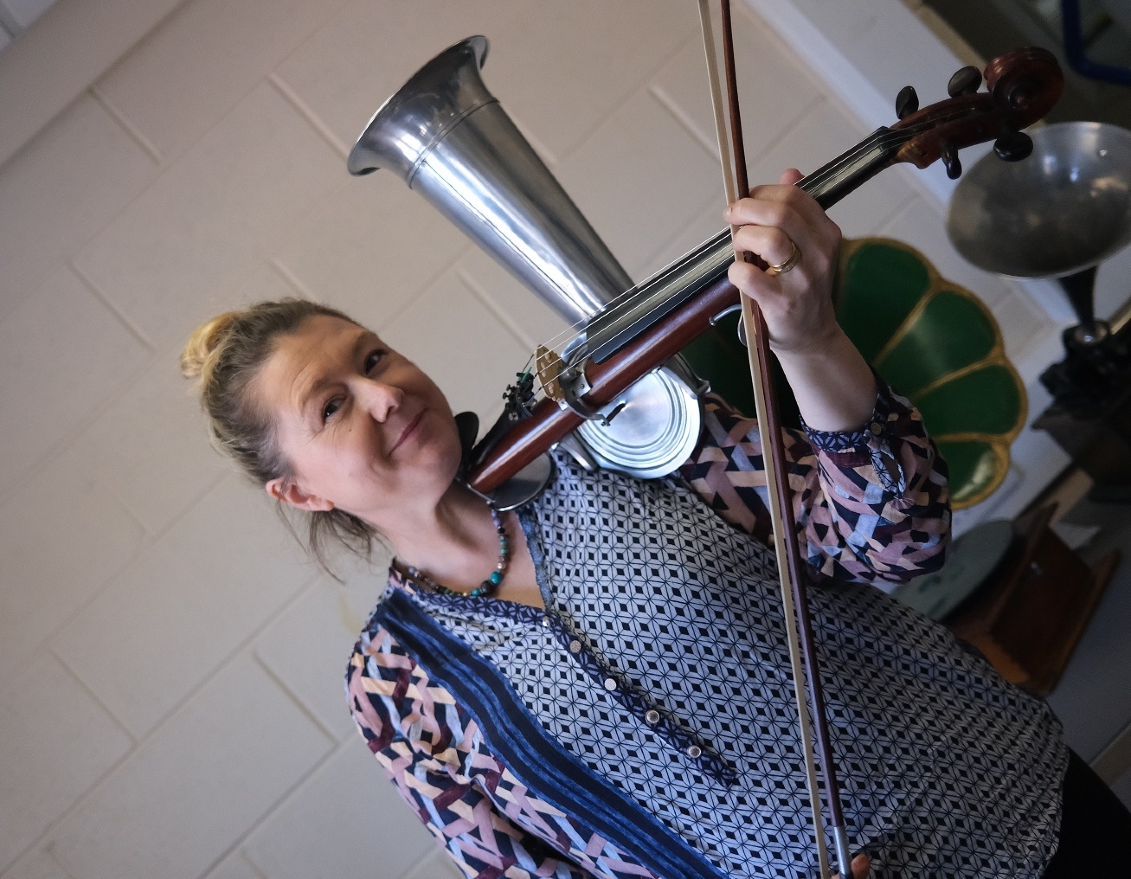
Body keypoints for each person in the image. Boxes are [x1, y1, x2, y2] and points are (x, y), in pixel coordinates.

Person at [182, 173, 1130, 878]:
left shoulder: (615, 436)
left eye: (375, 356)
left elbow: (899, 538)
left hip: (1009, 800)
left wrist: (810, 338)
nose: (385, 396)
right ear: (299, 492)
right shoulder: (394, 686)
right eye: (332, 407)